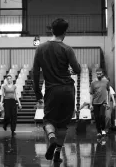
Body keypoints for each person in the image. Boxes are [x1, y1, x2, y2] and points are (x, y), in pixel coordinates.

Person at [33, 18, 81, 162]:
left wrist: (37, 92)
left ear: (51, 30)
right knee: (63, 124)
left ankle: (52, 138)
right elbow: (77, 70)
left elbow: (35, 72)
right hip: (67, 90)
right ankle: (57, 154)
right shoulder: (67, 49)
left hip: (52, 90)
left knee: (48, 120)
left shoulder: (40, 48)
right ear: (65, 32)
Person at [90, 68, 110, 139]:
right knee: (97, 117)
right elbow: (91, 94)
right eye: (97, 74)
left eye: (100, 74)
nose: (99, 75)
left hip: (103, 102)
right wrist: (90, 104)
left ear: (102, 73)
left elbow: (108, 91)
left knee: (102, 116)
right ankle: (98, 131)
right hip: (95, 102)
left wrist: (108, 103)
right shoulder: (93, 83)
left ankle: (103, 129)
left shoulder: (106, 81)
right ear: (96, 74)